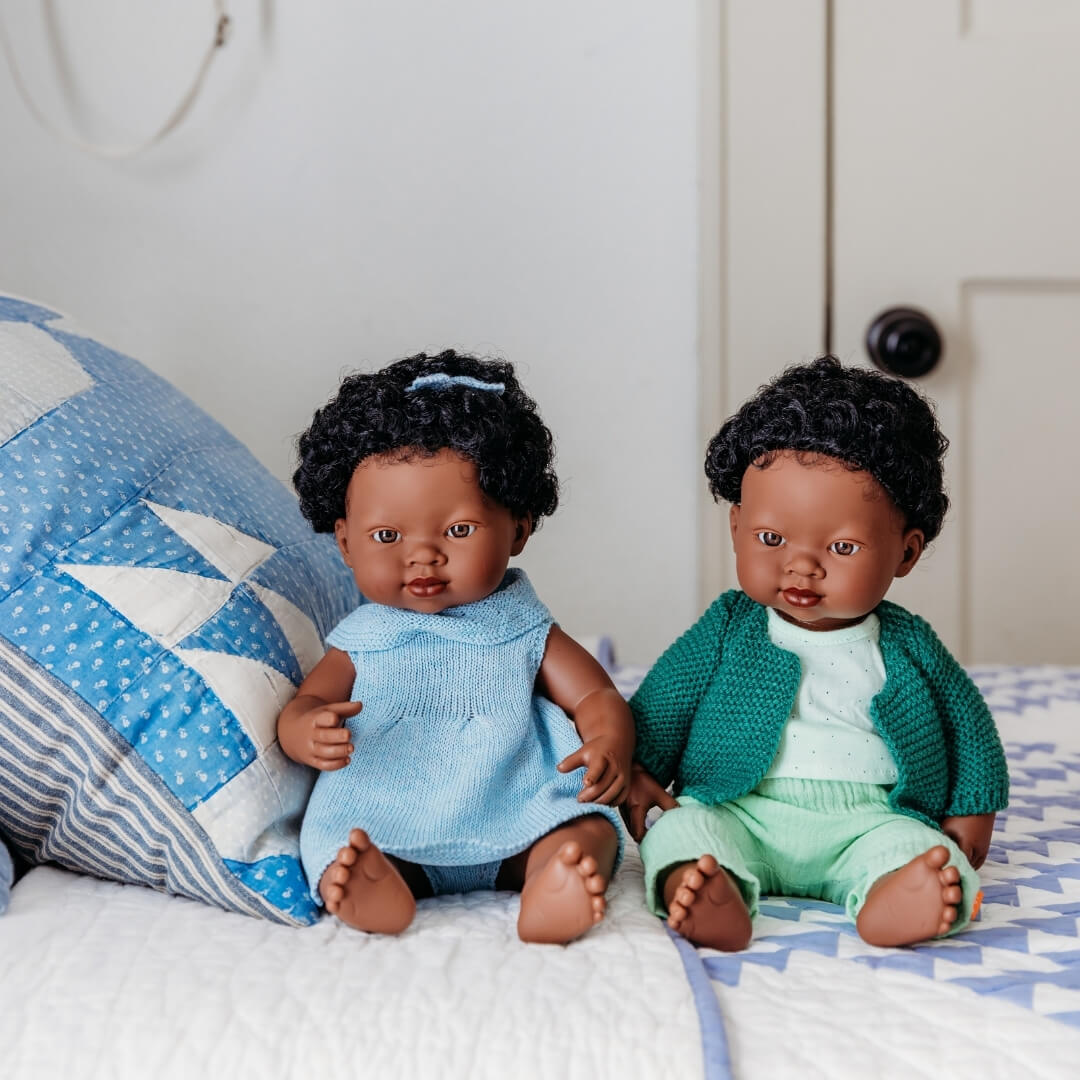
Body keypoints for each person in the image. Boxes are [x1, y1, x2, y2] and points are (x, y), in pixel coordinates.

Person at [622, 356, 1009, 950]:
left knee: (929, 854)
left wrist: (972, 810)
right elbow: (662, 701)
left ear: (905, 554)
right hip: (738, 806)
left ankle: (900, 898)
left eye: (843, 545)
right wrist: (640, 769)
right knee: (683, 829)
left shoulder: (909, 644)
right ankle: (702, 886)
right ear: (736, 528)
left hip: (870, 817)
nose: (802, 565)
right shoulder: (728, 627)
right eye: (771, 539)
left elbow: (969, 727)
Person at [279, 351, 630, 944]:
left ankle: (556, 876)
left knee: (585, 828)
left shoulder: (520, 624)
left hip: (517, 802)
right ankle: (377, 880)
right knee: (339, 841)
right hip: (390, 809)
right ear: (344, 543)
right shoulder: (363, 636)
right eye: (387, 536)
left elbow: (593, 692)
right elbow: (306, 702)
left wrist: (609, 738)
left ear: (518, 529)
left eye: (458, 530)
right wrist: (305, 728)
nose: (423, 554)